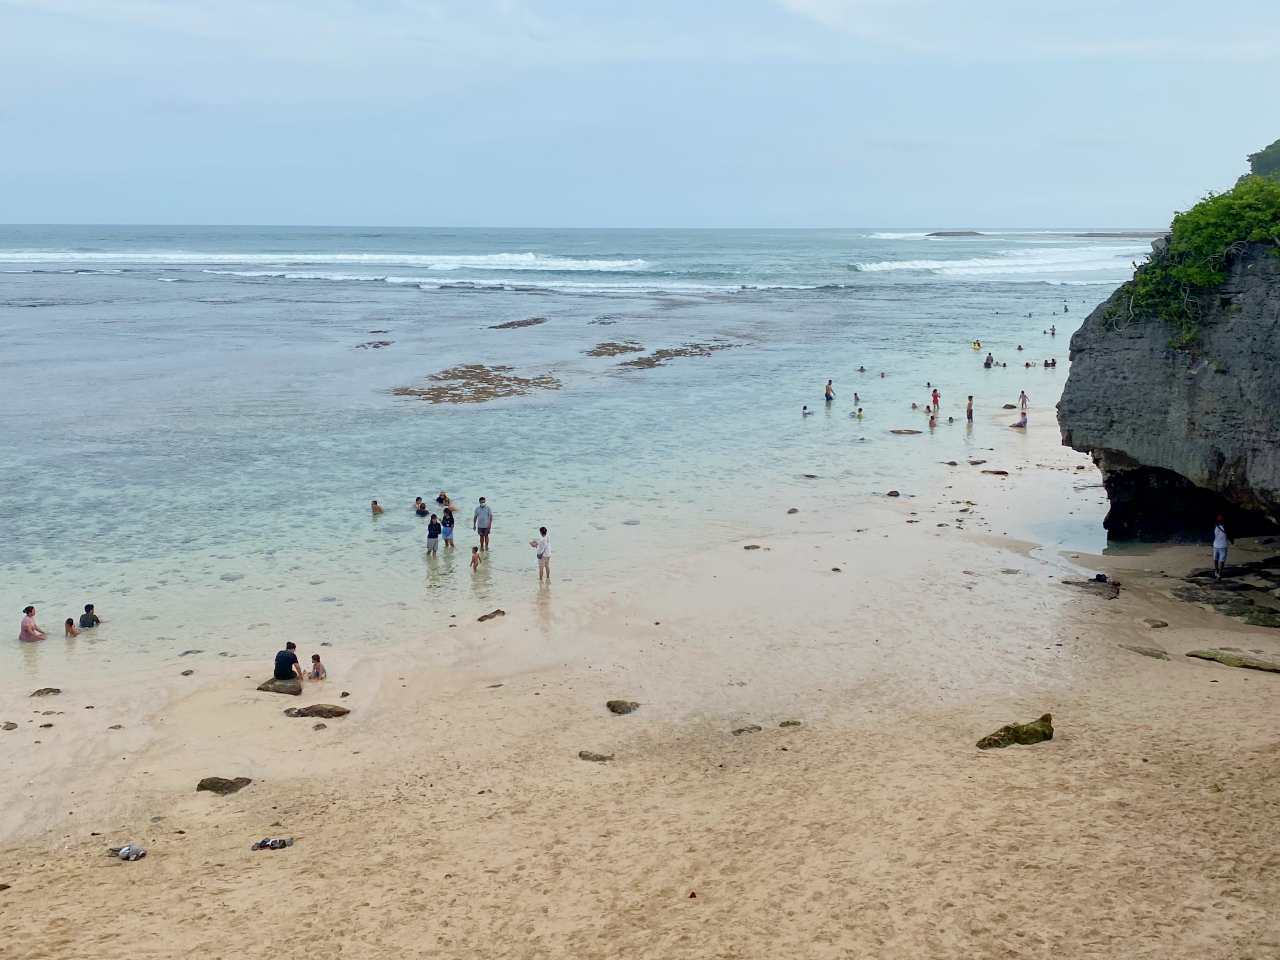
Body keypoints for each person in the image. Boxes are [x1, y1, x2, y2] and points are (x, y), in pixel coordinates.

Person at [1213, 515, 1233, 579]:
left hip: (1216, 545)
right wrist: (1232, 541)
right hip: (1223, 546)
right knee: (1221, 561)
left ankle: (1217, 571)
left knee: (1215, 559)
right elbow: (1229, 535)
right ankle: (1219, 574)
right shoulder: (1226, 527)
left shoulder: (1215, 526)